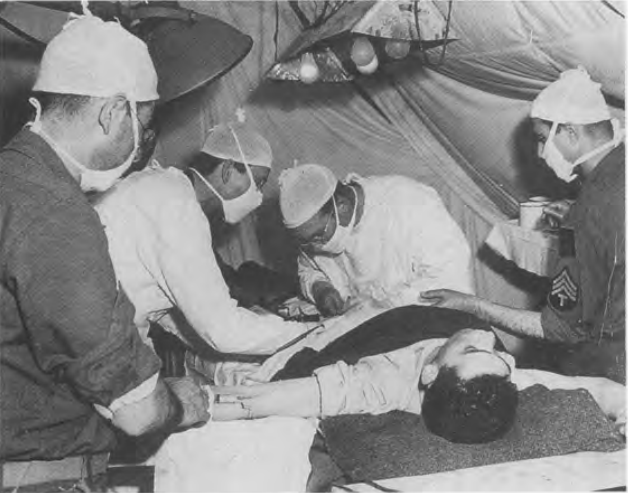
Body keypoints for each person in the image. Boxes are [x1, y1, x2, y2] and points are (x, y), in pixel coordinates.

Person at [0, 14, 210, 484]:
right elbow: (136, 412)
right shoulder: (53, 210)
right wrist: (181, 402)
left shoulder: (10, 180)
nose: (140, 144)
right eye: (143, 123)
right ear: (113, 113)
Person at [422, 68, 625, 384]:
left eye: (544, 139)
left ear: (571, 133)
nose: (541, 154)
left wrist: (473, 305)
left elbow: (557, 327)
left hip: (613, 366)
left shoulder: (581, 219)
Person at [92, 116, 314, 355]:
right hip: (95, 332)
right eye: (257, 183)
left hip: (104, 323)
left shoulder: (163, 185)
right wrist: (309, 333)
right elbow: (224, 331)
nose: (258, 197)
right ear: (228, 169)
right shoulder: (177, 207)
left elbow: (168, 304)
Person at [214, 327, 626, 443]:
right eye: (500, 357)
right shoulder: (495, 378)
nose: (496, 346)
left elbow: (293, 395)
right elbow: (601, 389)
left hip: (371, 327)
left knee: (287, 353)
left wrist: (206, 403)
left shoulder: (389, 383)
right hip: (420, 311)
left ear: (431, 373)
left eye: (473, 351)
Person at [278, 164, 474, 317]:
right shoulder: (316, 232)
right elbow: (307, 267)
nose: (315, 247)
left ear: (342, 206)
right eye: (306, 242)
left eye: (317, 236)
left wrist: (374, 309)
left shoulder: (409, 202)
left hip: (430, 322)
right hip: (365, 330)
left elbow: (450, 283)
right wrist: (319, 288)